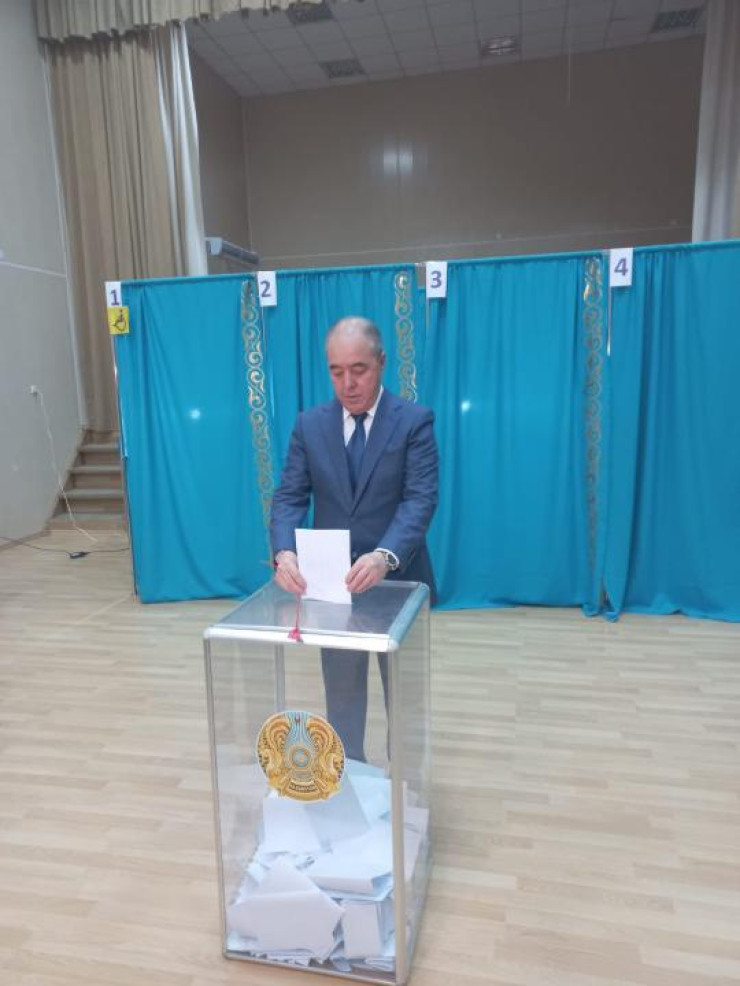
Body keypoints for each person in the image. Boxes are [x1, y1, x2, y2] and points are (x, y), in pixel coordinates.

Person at [270, 316, 438, 761]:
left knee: (403, 698)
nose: (347, 384)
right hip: (334, 590)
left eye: (359, 370)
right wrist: (284, 552)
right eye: (336, 371)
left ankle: (404, 786)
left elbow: (420, 499)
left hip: (398, 584)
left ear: (381, 362)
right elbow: (289, 496)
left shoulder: (413, 422)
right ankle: (349, 782)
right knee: (342, 698)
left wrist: (385, 555)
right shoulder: (309, 425)